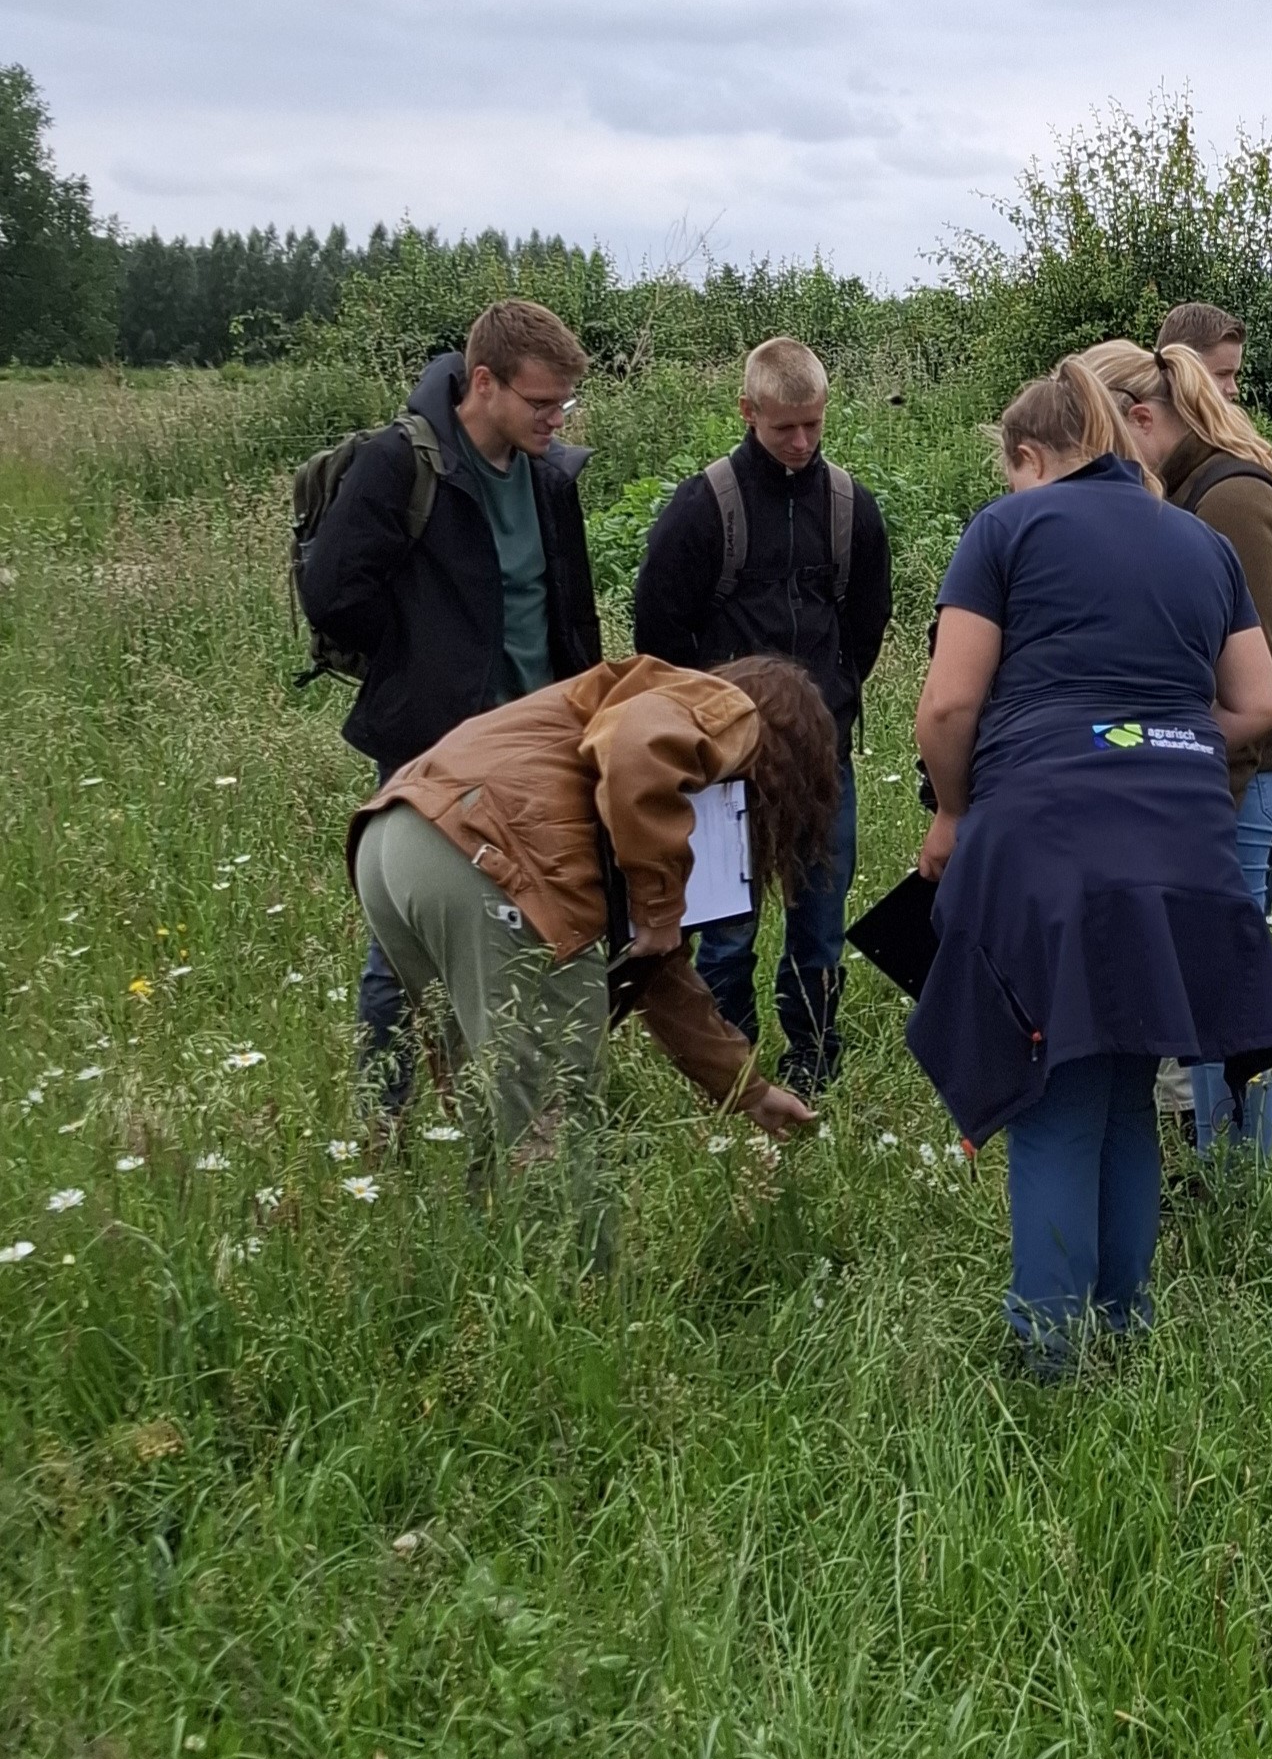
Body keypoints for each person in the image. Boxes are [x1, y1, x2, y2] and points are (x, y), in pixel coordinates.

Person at [909, 360, 1272, 1379]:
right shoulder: (1201, 542)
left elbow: (946, 707)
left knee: (1050, 1095)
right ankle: (1123, 1327)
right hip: (1183, 849)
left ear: (1030, 457)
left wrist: (953, 809)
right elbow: (1258, 704)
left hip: (1048, 847)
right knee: (1125, 1091)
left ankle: (1046, 1353)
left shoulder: (1005, 532)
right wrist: (1151, 735)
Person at [347, 653, 837, 1175]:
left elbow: (658, 970)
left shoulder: (634, 779)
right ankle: (571, 1257)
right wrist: (658, 905)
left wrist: (745, 1088)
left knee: (498, 1111)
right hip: (488, 851)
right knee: (557, 1137)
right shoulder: (729, 714)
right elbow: (636, 746)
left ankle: (493, 1251)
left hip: (394, 840)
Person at [300, 298, 604, 1111]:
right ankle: (383, 1121)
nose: (555, 418)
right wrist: (421, 659)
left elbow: (571, 611)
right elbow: (331, 592)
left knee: (537, 917)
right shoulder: (403, 464)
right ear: (483, 382)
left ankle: (503, 1109)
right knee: (402, 948)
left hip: (540, 748)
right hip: (432, 747)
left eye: (563, 404)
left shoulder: (547, 478)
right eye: (541, 402)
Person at [633, 335, 893, 1095]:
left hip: (822, 762)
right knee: (725, 932)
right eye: (784, 426)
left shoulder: (850, 510)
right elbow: (658, 635)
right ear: (747, 411)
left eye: (813, 424)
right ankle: (730, 1069)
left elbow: (866, 626)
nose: (801, 441)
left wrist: (826, 709)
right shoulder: (700, 509)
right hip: (721, 767)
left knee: (819, 925)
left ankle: (814, 1060)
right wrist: (710, 726)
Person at [1076, 337, 1272, 1161]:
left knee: (1222, 989)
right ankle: (1209, 1156)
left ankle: (1234, 1176)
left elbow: (1251, 677)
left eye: (1095, 438)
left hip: (1243, 783)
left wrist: (1198, 793)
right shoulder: (1188, 493)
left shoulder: (1228, 504)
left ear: (1140, 418)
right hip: (1214, 776)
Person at [1154, 301, 1246, 401]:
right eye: (1222, 374)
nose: (1233, 389)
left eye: (1234, 376)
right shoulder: (1142, 415)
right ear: (1179, 369)